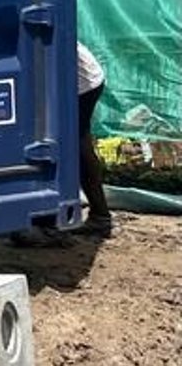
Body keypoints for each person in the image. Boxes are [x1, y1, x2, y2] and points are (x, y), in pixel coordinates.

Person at [75, 41, 114, 238]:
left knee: (76, 143)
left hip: (81, 84)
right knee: (77, 142)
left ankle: (100, 216)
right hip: (84, 78)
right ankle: (100, 216)